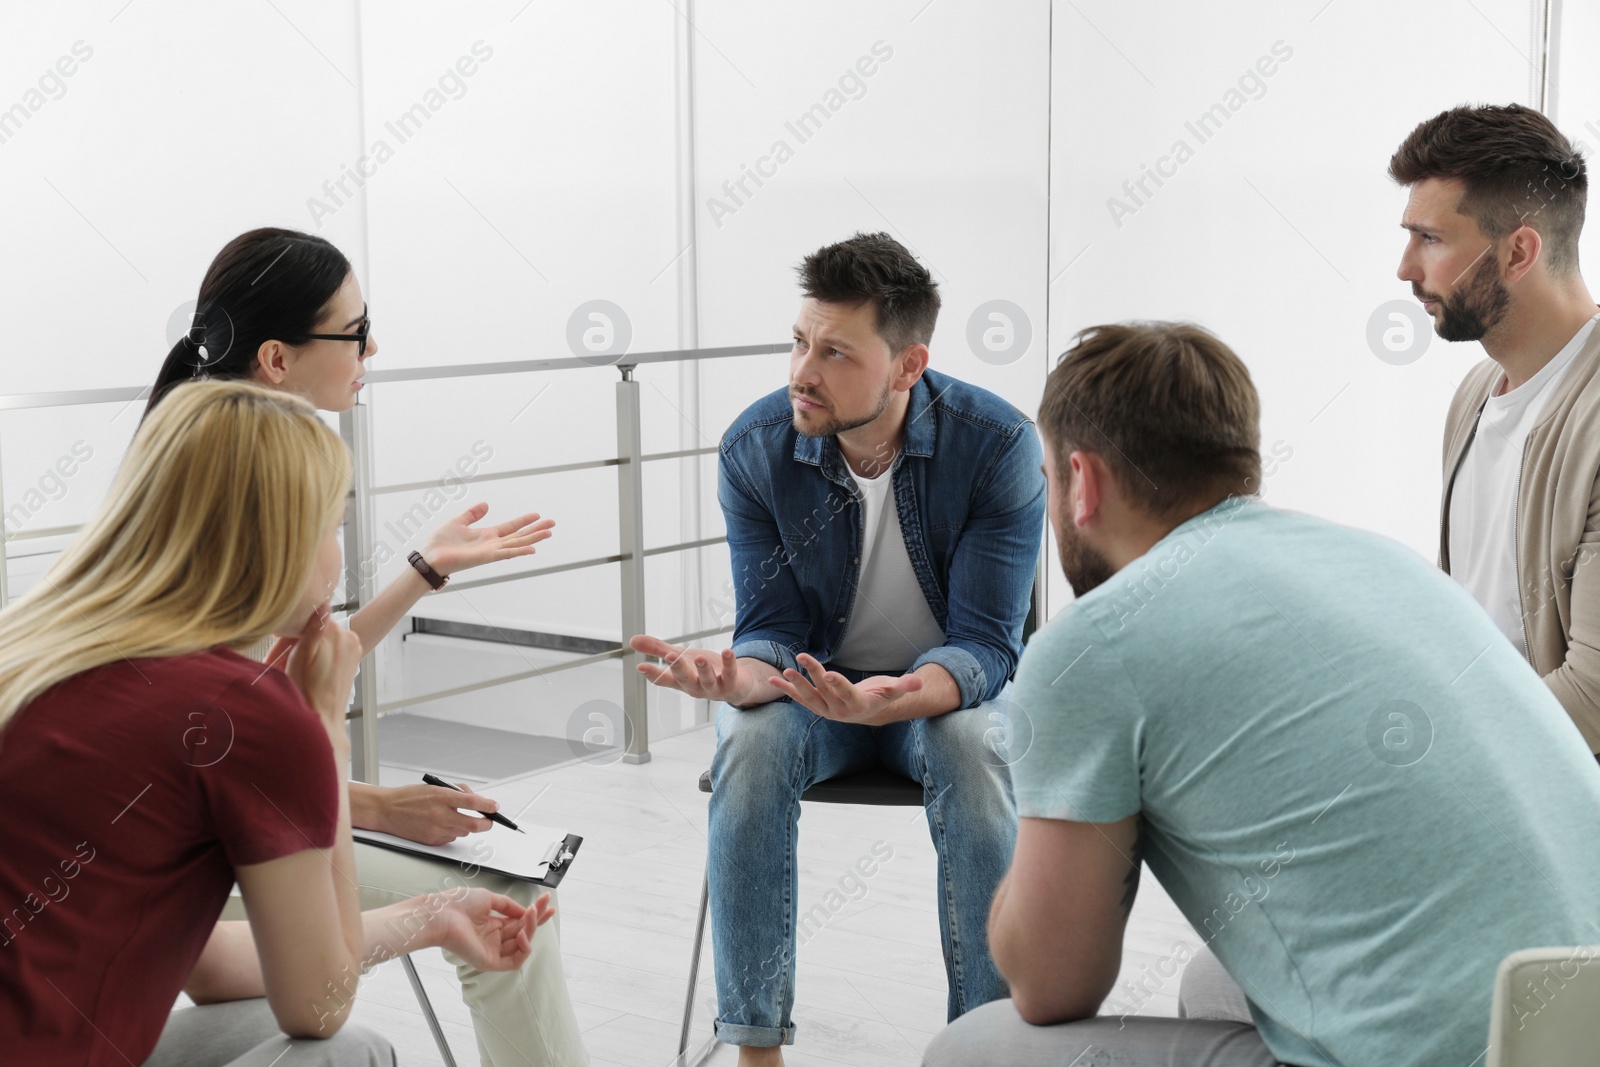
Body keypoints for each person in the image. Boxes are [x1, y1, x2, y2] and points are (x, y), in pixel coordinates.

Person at [922, 322, 1600, 1067]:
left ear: (1082, 482)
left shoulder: (1095, 642)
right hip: (1576, 1026)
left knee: (974, 1048)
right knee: (1215, 981)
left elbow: (1051, 984)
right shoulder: (1381, 563)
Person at [0, 381, 553, 1066]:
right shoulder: (244, 715)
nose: (338, 554)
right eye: (333, 527)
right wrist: (324, 729)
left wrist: (433, 916)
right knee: (348, 1054)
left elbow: (202, 966)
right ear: (277, 540)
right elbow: (319, 1005)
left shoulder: (35, 654)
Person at [145, 228, 587, 1067]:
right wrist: (351, 772)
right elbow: (233, 746)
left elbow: (301, 663)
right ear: (276, 357)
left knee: (481, 908)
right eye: (354, 329)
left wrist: (422, 573)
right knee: (500, 902)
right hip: (228, 840)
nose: (372, 347)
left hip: (227, 822)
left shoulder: (231, 464)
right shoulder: (238, 487)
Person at [630, 231, 1044, 1063]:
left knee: (970, 739)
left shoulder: (997, 445)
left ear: (906, 365)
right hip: (815, 700)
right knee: (748, 737)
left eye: (834, 352)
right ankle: (756, 1048)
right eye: (798, 341)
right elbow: (771, 629)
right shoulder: (757, 447)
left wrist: (891, 695)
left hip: (935, 705)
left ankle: (986, 1043)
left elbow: (990, 648)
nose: (801, 372)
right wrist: (736, 678)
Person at [1391, 103, 1600, 754]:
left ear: (1518, 252)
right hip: (1492, 779)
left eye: (1431, 239)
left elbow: (1592, 699)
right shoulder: (1477, 395)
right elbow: (1469, 618)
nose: (1405, 267)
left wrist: (1424, 749)